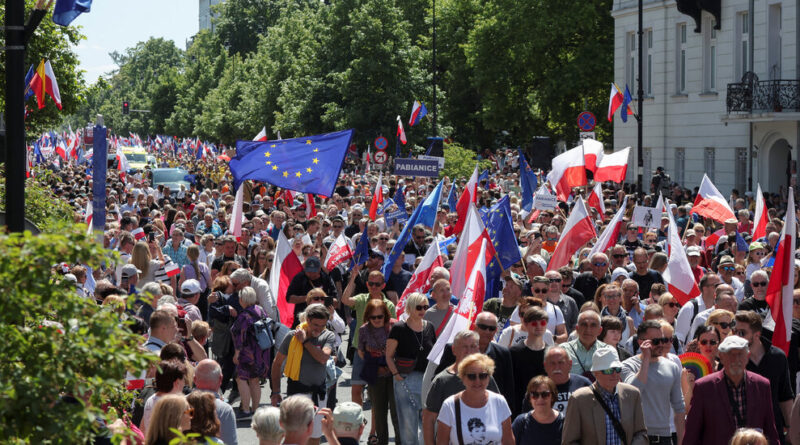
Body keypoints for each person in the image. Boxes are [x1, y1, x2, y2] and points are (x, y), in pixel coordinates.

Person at [684, 335, 780, 445]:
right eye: (730, 355)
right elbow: (691, 434)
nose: (736, 360)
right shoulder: (704, 387)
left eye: (740, 354)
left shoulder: (762, 385)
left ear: (747, 356)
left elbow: (770, 431)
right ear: (721, 357)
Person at [423, 330, 501, 445]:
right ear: (454, 350)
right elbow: (429, 419)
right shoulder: (442, 381)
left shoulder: (485, 377)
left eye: (473, 346)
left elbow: (499, 412)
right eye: (464, 346)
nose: (469, 351)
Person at [561, 348, 648, 445]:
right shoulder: (579, 399)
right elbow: (569, 441)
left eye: (617, 369)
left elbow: (641, 433)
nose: (615, 374)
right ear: (595, 373)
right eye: (608, 370)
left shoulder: (632, 394)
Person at [620, 320, 685, 445]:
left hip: (665, 437)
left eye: (663, 340)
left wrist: (681, 441)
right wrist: (646, 360)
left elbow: (679, 407)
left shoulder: (672, 367)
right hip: (636, 437)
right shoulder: (627, 365)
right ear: (640, 342)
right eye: (655, 341)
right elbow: (633, 391)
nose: (661, 344)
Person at [735, 310, 794, 441]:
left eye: (742, 333)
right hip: (741, 435)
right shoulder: (731, 358)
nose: (737, 336)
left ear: (757, 335)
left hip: (773, 431)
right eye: (735, 331)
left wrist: (790, 427)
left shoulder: (778, 357)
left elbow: (785, 396)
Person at [386, 292, 436, 445]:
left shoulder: (430, 327)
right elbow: (388, 355)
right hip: (405, 378)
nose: (422, 310)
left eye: (425, 307)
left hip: (426, 380)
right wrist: (396, 374)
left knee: (427, 424)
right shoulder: (399, 328)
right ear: (409, 308)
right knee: (408, 425)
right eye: (418, 307)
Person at [341, 267, 396, 407]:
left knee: (374, 393)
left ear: (383, 286)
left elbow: (392, 330)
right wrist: (353, 278)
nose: (374, 287)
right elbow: (345, 300)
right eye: (371, 283)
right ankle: (358, 419)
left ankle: (374, 428)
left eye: (377, 284)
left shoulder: (389, 305)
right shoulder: (361, 299)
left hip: (379, 354)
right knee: (356, 389)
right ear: (367, 284)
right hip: (361, 351)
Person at [271, 304, 336, 415]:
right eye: (316, 325)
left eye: (323, 325)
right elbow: (277, 364)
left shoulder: (328, 335)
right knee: (296, 431)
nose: (319, 329)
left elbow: (323, 358)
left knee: (317, 432)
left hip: (318, 394)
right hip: (296, 393)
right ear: (308, 320)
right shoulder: (292, 336)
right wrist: (275, 391)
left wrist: (305, 341)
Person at [436, 353, 514, 445]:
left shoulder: (499, 402)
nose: (477, 381)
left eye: (483, 376)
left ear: (489, 377)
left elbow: (509, 440)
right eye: (471, 376)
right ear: (463, 378)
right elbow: (441, 442)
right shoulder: (449, 405)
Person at [358, 299, 400, 445]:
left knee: (396, 413)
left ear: (386, 315)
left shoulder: (395, 325)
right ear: (367, 316)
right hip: (375, 375)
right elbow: (360, 351)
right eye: (373, 317)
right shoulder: (364, 329)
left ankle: (400, 442)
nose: (376, 320)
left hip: (395, 375)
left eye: (380, 316)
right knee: (380, 414)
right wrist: (374, 362)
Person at [231, 286, 271, 418]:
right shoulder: (260, 310)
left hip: (247, 353)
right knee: (254, 380)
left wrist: (237, 353)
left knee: (240, 379)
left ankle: (246, 410)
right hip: (261, 352)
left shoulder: (244, 315)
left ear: (242, 299)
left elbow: (240, 336)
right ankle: (255, 409)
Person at [510, 306, 548, 416]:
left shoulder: (550, 353)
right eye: (534, 323)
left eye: (543, 323)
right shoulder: (514, 352)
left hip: (545, 408)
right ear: (526, 324)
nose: (539, 326)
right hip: (519, 410)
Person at [193, 359, 238, 445]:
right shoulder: (225, 410)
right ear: (220, 379)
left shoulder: (181, 403)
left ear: (194, 379)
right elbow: (230, 442)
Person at [511, 375, 564, 445]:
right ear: (530, 398)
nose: (540, 399)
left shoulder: (564, 423)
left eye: (545, 394)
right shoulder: (520, 423)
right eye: (535, 395)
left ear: (553, 397)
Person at [140, 359, 188, 434]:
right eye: (183, 380)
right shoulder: (179, 404)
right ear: (177, 383)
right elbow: (189, 424)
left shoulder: (150, 399)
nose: (184, 384)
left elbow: (142, 429)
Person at [542, 346, 591, 415]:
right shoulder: (537, 388)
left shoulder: (584, 384)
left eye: (561, 363)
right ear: (545, 366)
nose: (557, 367)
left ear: (570, 364)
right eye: (552, 363)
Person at [563, 310, 610, 381]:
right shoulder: (563, 350)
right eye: (584, 324)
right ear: (577, 329)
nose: (588, 329)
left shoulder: (607, 351)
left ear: (600, 330)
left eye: (593, 325)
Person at [676, 273, 721, 346]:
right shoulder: (689, 308)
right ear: (705, 289)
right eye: (716, 286)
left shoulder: (718, 307)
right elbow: (679, 339)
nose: (720, 289)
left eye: (721, 285)